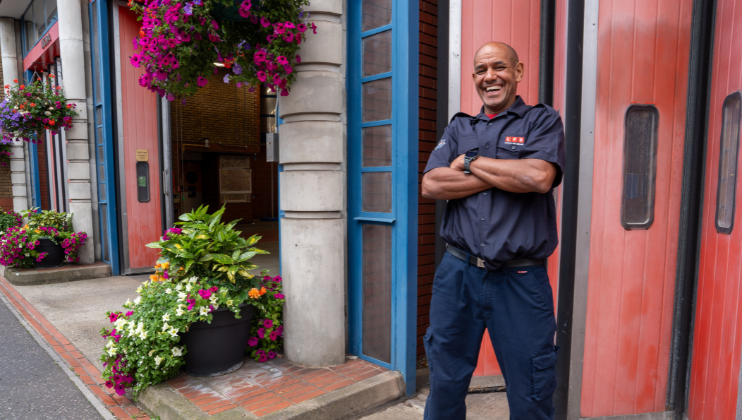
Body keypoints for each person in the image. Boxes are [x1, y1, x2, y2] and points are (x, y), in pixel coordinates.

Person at [420, 41, 565, 420]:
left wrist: (468, 163)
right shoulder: (459, 126)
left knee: (532, 389)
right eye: (481, 70)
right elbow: (433, 185)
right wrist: (504, 174)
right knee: (445, 382)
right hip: (457, 276)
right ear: (473, 78)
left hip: (520, 278)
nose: (490, 77)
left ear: (517, 72)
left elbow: (538, 177)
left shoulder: (541, 121)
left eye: (499, 67)